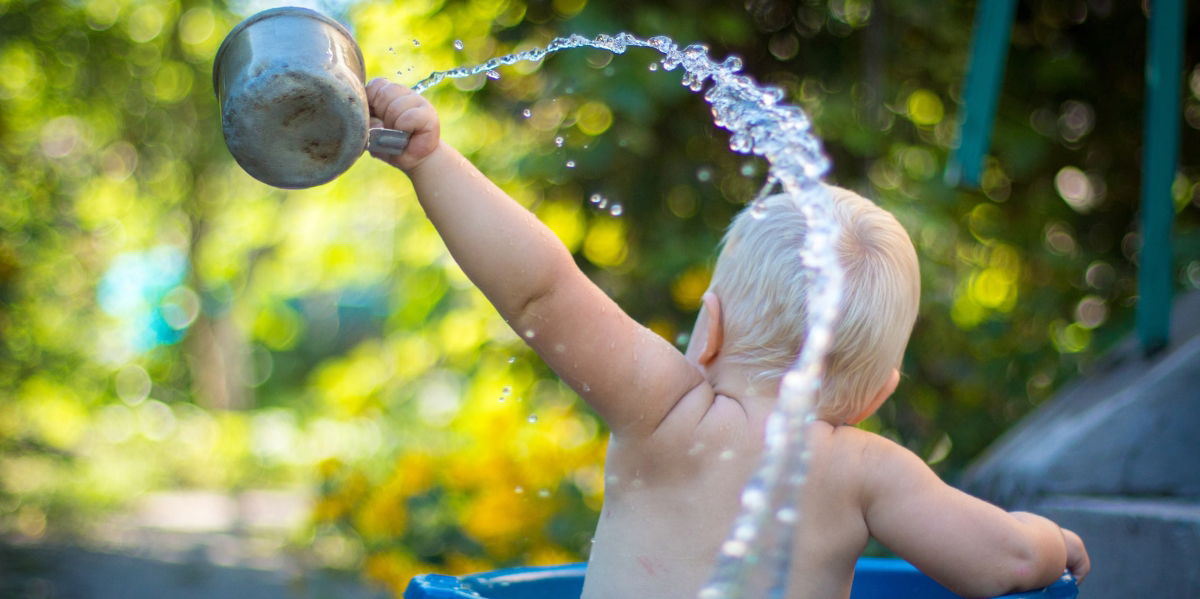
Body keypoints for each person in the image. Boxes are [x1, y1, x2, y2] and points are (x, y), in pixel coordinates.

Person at [364, 78, 1090, 599]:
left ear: (706, 327)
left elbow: (543, 291)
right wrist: (1054, 541)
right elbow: (1002, 561)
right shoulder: (868, 471)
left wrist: (431, 159)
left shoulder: (664, 412)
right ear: (877, 393)